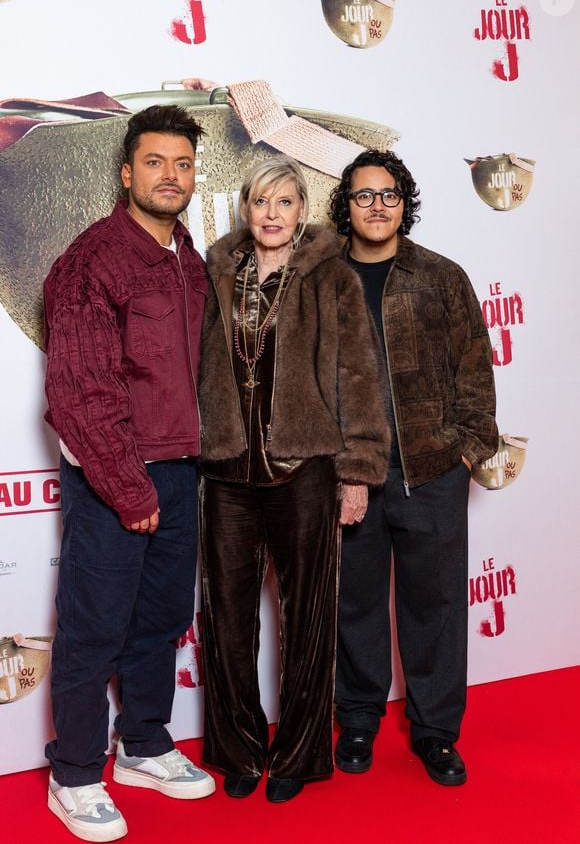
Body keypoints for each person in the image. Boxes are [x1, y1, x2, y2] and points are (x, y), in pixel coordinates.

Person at [43, 104, 215, 842]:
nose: (169, 175)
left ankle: (142, 742)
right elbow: (79, 390)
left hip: (182, 473)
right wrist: (126, 484)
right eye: (155, 162)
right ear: (126, 172)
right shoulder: (92, 260)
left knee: (162, 622)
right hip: (119, 478)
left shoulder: (187, 257)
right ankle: (74, 773)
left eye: (181, 164)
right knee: (92, 630)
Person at [198, 156, 390, 803]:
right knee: (226, 616)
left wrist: (358, 470)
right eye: (261, 202)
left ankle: (299, 755)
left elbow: (358, 379)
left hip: (305, 466)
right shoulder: (218, 272)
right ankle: (238, 748)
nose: (272, 214)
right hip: (226, 467)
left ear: (301, 210)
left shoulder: (331, 278)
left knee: (308, 616)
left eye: (285, 202)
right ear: (245, 210)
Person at [329, 149, 498, 786]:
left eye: (389, 194)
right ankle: (361, 720)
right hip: (352, 476)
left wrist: (465, 449)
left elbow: (475, 372)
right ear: (345, 205)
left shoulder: (441, 276)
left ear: (406, 202)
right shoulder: (324, 279)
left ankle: (435, 732)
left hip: (432, 471)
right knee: (356, 603)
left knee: (438, 606)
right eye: (364, 195)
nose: (378, 206)